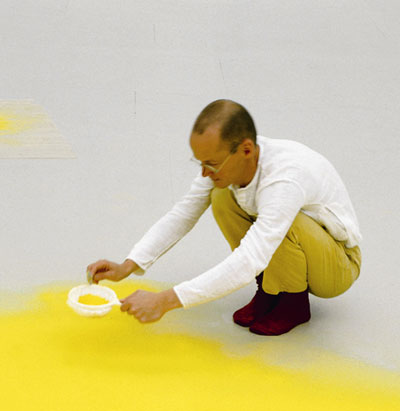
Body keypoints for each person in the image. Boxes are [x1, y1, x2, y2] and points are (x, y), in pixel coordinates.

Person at [87, 99, 362, 335]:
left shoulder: (284, 181)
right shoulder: (231, 159)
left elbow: (250, 258)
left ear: (246, 150)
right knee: (221, 196)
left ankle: (293, 303)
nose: (204, 172)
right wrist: (128, 265)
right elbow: (183, 214)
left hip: (337, 266)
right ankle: (269, 292)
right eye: (200, 163)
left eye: (212, 164)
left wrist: (165, 301)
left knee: (288, 223)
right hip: (302, 249)